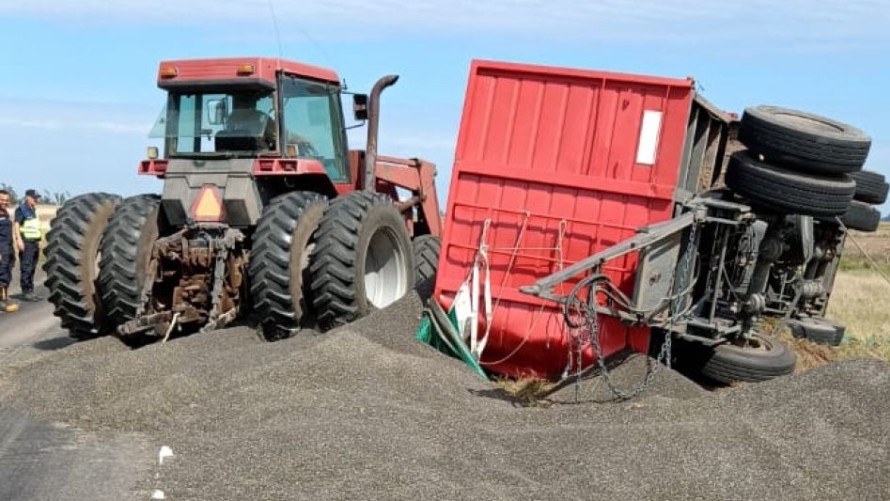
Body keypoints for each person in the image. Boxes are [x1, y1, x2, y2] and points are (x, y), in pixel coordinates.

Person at [14, 189, 43, 302]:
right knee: (26, 267)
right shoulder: (21, 209)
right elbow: (16, 225)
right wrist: (19, 240)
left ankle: (30, 290)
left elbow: (36, 226)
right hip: (26, 242)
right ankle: (25, 291)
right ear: (28, 197)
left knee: (32, 267)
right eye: (34, 197)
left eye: (37, 198)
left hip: (34, 242)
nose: (36, 199)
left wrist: (39, 240)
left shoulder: (33, 210)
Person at [0, 189, 18, 312]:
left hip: (8, 249)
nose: (4, 202)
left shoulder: (5, 213)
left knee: (7, 273)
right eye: (2, 200)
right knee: (1, 275)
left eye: (6, 200)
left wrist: (13, 254)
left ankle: (5, 299)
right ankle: (2, 302)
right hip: (1, 249)